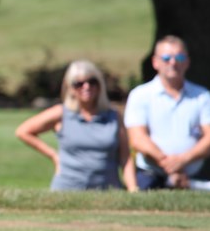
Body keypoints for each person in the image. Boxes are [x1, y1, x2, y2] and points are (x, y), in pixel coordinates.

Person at [14, 60, 137, 191]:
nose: (86, 87)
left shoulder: (113, 116)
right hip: (68, 188)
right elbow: (23, 131)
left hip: (107, 189)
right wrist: (54, 156)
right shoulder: (61, 113)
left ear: (100, 84)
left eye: (92, 82)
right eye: (79, 84)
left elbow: (125, 157)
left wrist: (132, 188)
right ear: (70, 87)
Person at [123, 36, 210, 190]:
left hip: (194, 174)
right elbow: (137, 138)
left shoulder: (202, 96)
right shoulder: (140, 95)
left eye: (179, 57)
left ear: (187, 62)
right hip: (151, 174)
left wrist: (183, 160)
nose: (173, 62)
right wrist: (169, 163)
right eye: (166, 58)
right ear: (155, 62)